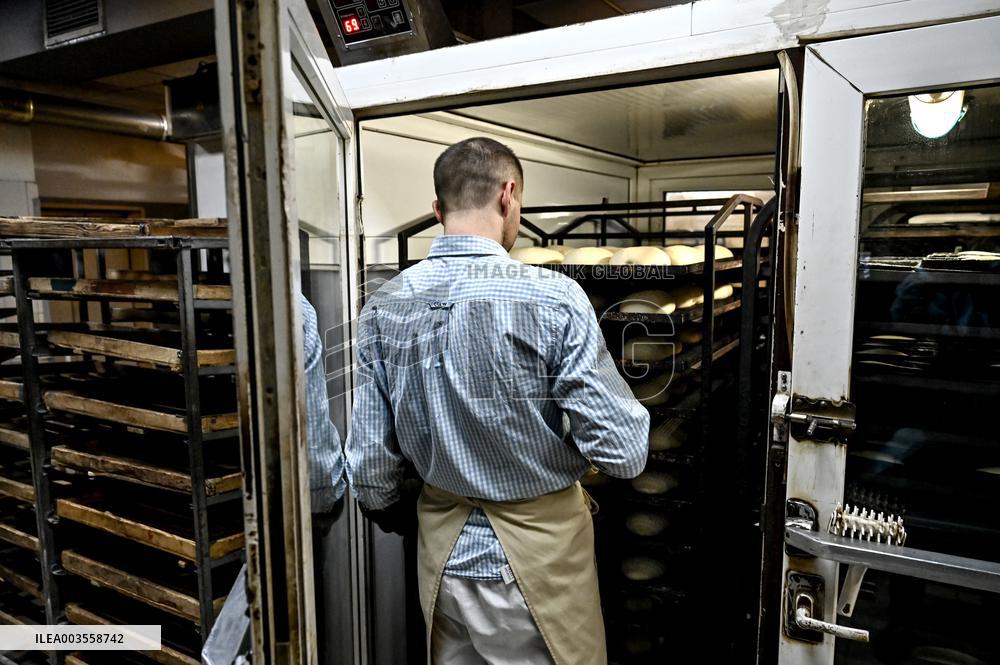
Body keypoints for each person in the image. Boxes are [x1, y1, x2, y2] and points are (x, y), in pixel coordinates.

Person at [346, 137, 649, 665]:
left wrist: (406, 507)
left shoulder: (384, 304)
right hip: (538, 565)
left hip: (441, 559)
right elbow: (624, 453)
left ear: (438, 209)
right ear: (509, 196)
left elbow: (371, 466)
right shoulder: (554, 297)